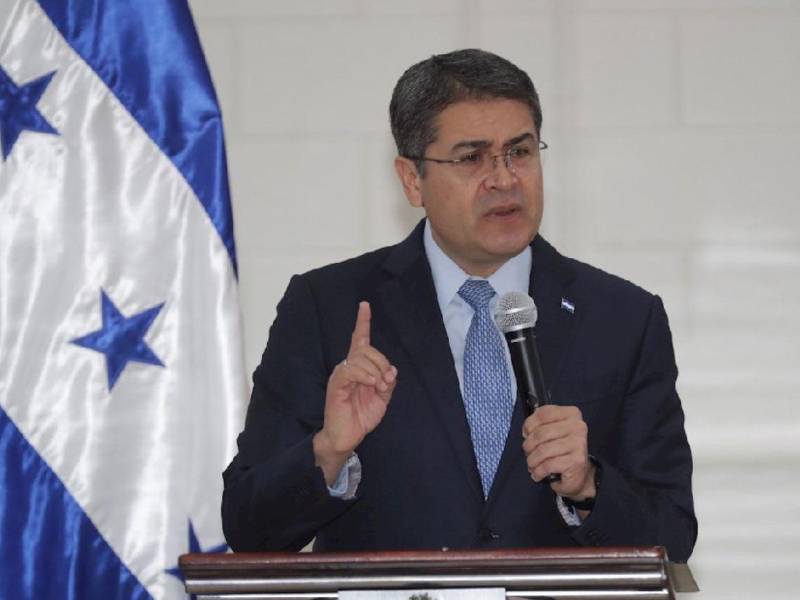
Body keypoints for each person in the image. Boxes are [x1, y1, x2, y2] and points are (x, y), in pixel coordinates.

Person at [221, 49, 697, 562]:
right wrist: (330, 450)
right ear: (411, 179)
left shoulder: (623, 318)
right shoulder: (326, 308)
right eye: (472, 158)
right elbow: (250, 528)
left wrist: (588, 485)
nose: (504, 179)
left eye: (520, 152)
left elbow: (672, 536)